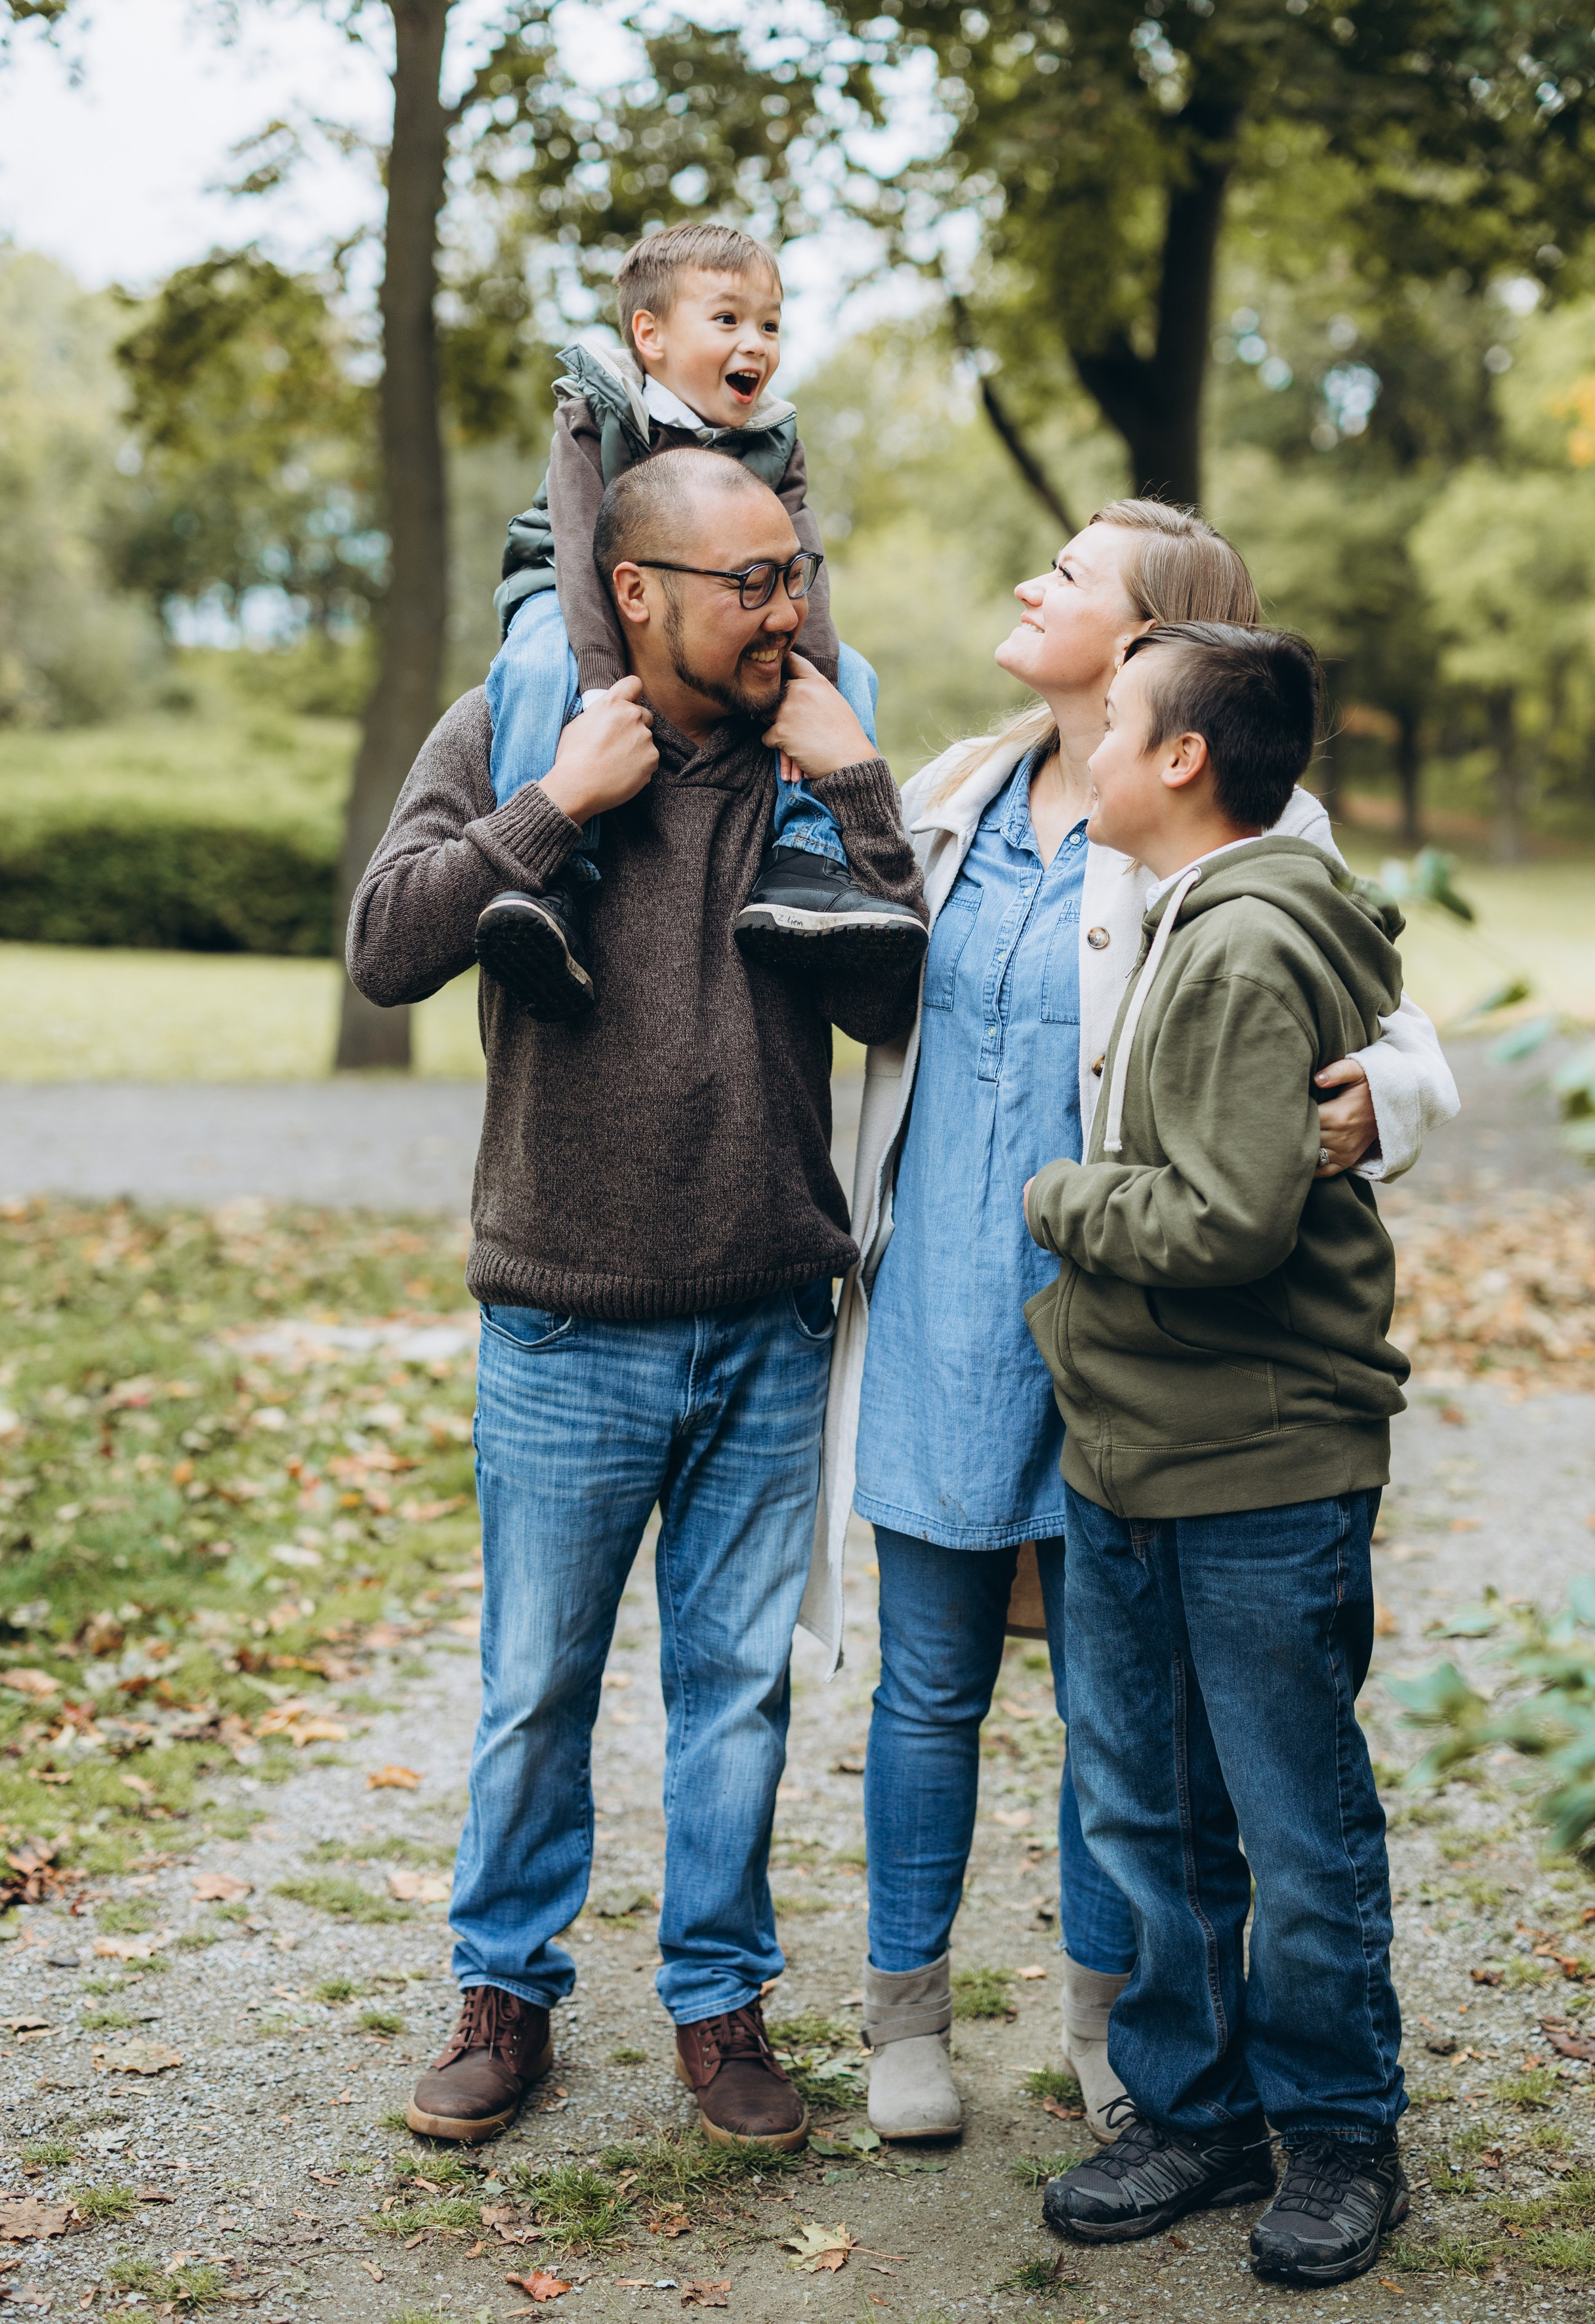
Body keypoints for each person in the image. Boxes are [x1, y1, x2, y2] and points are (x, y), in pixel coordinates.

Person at [802, 502, 1457, 2147]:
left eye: (1072, 573)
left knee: (1127, 1722)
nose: (1034, 584)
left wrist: (1376, 1097)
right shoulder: (957, 785)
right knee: (925, 1683)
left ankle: (1121, 2031)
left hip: (1121, 1320)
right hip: (946, 1296)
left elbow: (1387, 1015)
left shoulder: (1242, 818)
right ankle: (905, 2018)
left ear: (1155, 635)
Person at [346, 446, 926, 2149]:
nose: (791, 608)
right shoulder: (522, 723)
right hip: (564, 1318)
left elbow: (895, 1000)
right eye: (752, 581)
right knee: (538, 1681)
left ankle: (721, 2006)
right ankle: (503, 1997)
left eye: (798, 571)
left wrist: (869, 785)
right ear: (635, 590)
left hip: (765, 1314)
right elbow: (384, 946)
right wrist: (557, 806)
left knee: (736, 1686)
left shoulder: (809, 755)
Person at [1024, 621, 1413, 2287]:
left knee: (1291, 1817)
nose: (1087, 748)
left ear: (1181, 758)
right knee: (1150, 1809)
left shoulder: (1247, 942)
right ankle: (1189, 2106)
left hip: (1257, 1458)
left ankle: (1336, 2130)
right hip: (1127, 1443)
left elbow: (1228, 1219)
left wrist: (1055, 1198)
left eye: (1112, 723)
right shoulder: (1183, 911)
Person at [475, 220, 924, 1021]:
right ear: (648, 335)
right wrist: (603, 689)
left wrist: (808, 679)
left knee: (851, 674)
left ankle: (805, 859)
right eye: (727, 320)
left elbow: (803, 565)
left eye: (770, 323)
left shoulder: (771, 436)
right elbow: (584, 552)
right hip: (570, 590)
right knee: (539, 666)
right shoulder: (597, 409)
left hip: (713, 622)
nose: (755, 342)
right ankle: (548, 884)